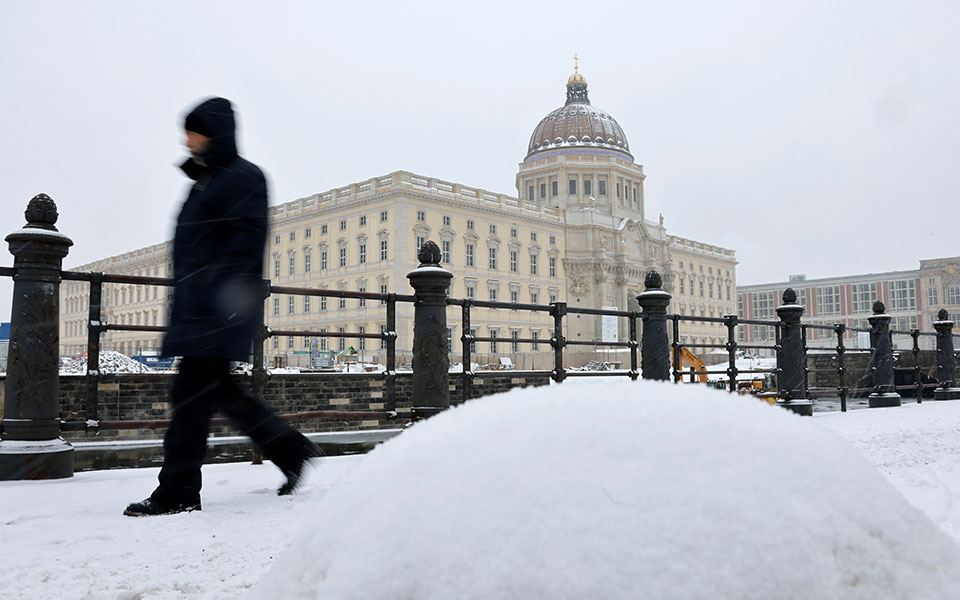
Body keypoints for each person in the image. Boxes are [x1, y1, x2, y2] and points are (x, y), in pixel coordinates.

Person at [124, 97, 321, 517]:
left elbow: (244, 245)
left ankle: (178, 491)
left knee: (190, 401)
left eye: (193, 130)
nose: (186, 138)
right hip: (200, 306)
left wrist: (220, 300)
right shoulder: (206, 181)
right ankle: (290, 449)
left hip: (217, 308)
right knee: (220, 394)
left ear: (214, 132)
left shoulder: (242, 178)